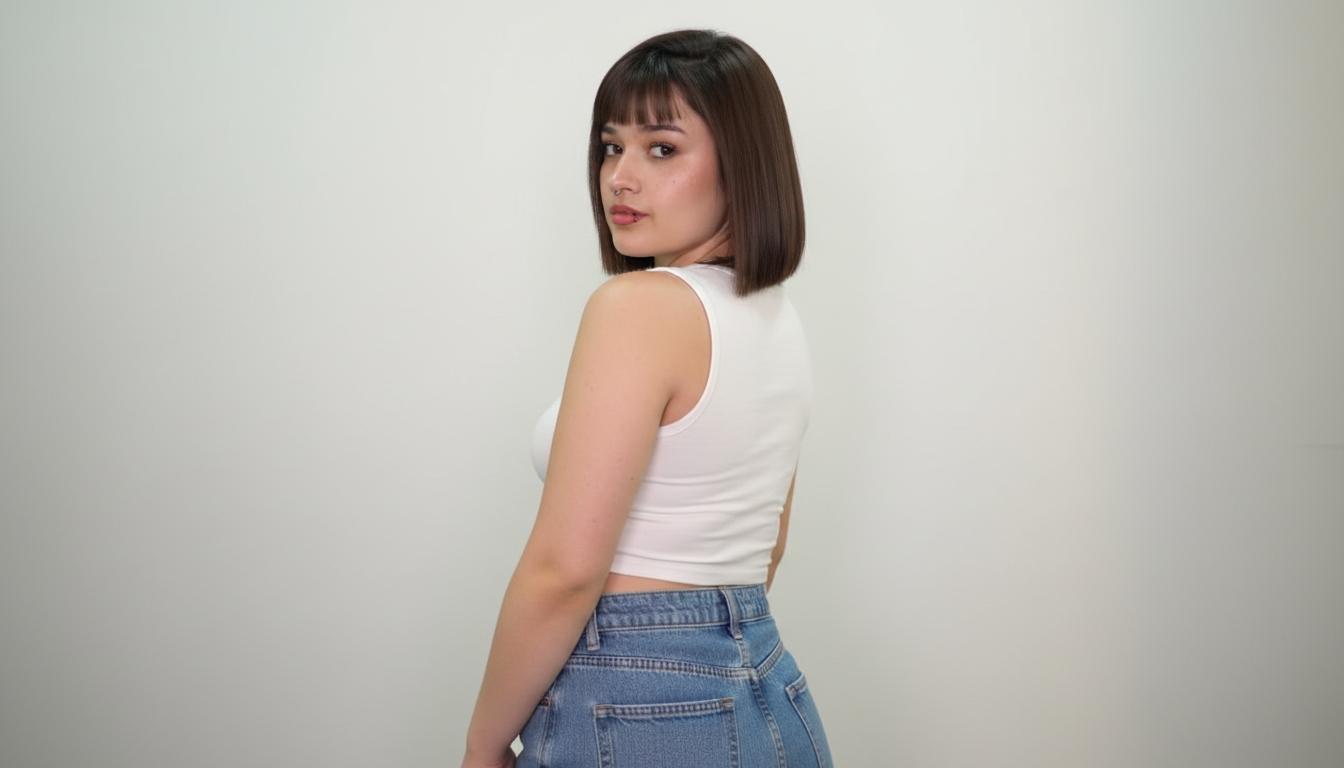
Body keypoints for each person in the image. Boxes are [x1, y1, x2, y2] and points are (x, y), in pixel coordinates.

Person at [463, 29, 832, 768]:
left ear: (743, 164)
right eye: (611, 147)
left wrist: (482, 747)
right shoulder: (776, 320)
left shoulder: (639, 307)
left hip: (635, 698)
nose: (620, 178)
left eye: (662, 148)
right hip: (773, 691)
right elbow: (768, 545)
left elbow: (566, 568)